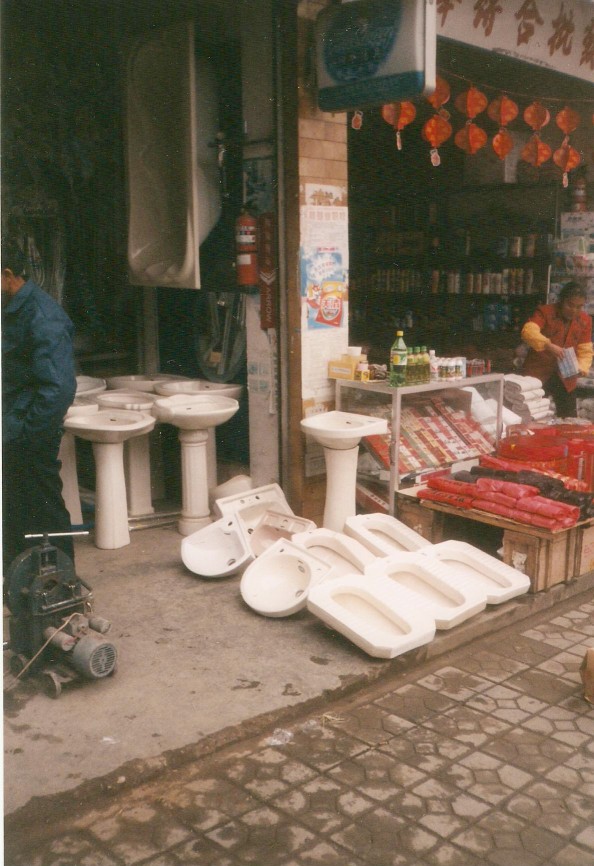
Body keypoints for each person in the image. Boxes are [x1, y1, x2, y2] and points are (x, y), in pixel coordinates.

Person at [2, 239, 77, 578]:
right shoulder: (12, 307)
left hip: (29, 432)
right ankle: (21, 586)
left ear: (7, 275)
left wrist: (29, 432)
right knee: (15, 509)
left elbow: (58, 388)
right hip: (12, 426)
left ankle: (63, 586)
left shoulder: (43, 315)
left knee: (45, 507)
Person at [520, 281, 593, 419]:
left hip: (566, 377)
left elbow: (585, 349)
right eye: (570, 305)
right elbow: (528, 331)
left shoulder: (585, 320)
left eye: (579, 307)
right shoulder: (545, 311)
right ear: (561, 300)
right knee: (531, 416)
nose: (574, 311)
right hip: (538, 373)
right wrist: (548, 345)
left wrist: (582, 367)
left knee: (569, 419)